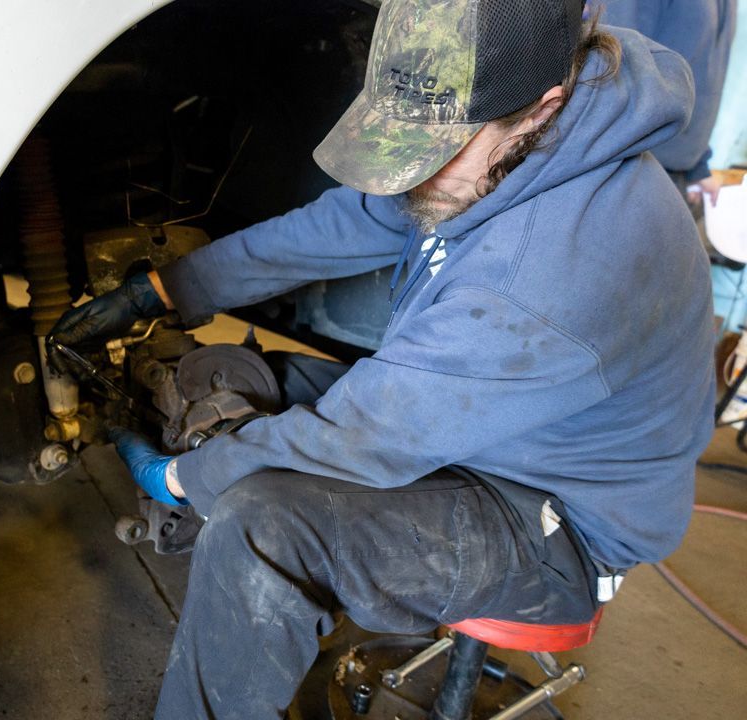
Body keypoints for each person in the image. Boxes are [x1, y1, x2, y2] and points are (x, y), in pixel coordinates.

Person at [49, 1, 715, 718]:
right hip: (487, 432)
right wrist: (165, 289)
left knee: (263, 527)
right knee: (226, 379)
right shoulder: (514, 146)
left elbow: (360, 436)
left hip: (556, 520)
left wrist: (183, 476)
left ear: (540, 110)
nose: (411, 176)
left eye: (437, 153)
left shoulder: (557, 275)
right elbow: (349, 221)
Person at [597, 0, 737, 207]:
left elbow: (700, 71)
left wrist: (698, 164)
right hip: (630, 171)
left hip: (674, 173)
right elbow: (609, 62)